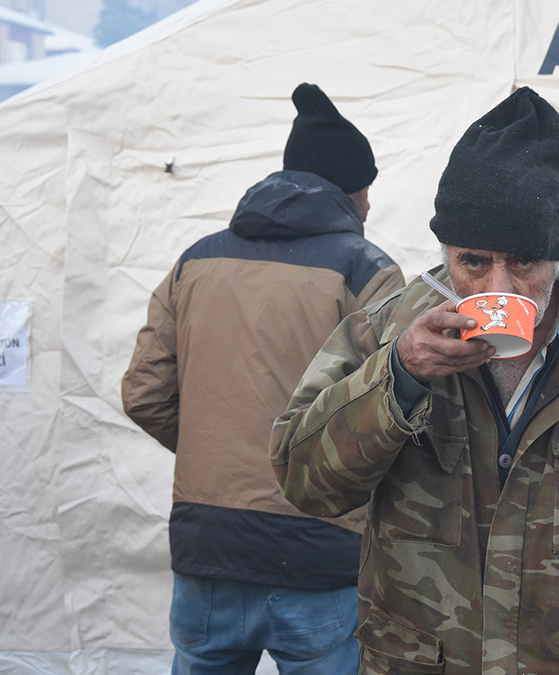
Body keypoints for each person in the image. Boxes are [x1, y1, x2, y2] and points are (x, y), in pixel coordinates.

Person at [271, 87, 559, 674]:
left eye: (523, 261)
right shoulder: (388, 331)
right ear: (446, 255)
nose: (503, 287)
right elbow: (304, 481)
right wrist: (399, 376)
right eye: (473, 262)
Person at [121, 83, 405, 674]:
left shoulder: (194, 261)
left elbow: (144, 394)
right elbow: (391, 407)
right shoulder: (367, 271)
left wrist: (218, 447)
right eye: (368, 189)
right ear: (352, 191)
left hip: (207, 547)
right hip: (320, 549)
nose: (371, 206)